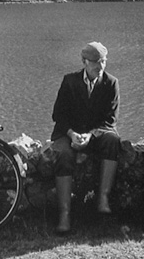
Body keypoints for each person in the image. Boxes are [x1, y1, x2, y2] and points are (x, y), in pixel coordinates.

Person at [50, 41, 121, 234]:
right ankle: (64, 214)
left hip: (96, 133)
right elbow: (58, 116)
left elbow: (110, 119)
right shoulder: (69, 81)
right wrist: (73, 134)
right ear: (84, 61)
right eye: (95, 62)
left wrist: (90, 135)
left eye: (104, 61)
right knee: (63, 154)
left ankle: (103, 199)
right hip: (69, 133)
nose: (100, 66)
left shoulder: (111, 83)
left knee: (113, 141)